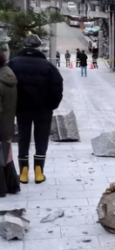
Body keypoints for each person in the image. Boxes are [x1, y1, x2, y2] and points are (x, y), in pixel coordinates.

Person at [7, 34, 63, 184]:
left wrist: (13, 105)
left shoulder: (13, 64)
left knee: (23, 138)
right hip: (43, 110)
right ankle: (39, 172)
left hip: (22, 109)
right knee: (41, 139)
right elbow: (57, 87)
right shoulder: (48, 66)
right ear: (39, 48)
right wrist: (52, 105)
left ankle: (23, 172)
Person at [0, 51, 20, 197]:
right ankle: (12, 185)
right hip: (7, 124)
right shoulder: (8, 76)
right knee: (7, 157)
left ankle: (2, 188)